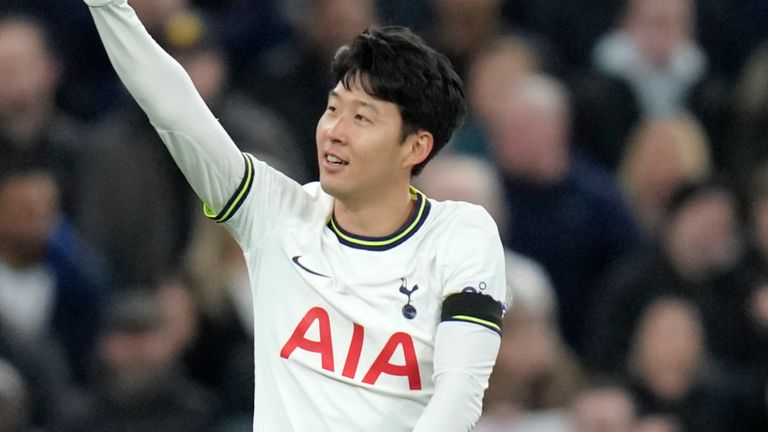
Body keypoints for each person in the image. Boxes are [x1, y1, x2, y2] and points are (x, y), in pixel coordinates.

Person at [83, 1, 507, 431]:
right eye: (333, 108)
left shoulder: (461, 234)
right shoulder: (275, 214)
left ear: (415, 147)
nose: (334, 131)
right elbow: (175, 109)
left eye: (361, 117)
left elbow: (459, 392)